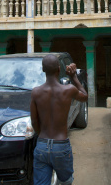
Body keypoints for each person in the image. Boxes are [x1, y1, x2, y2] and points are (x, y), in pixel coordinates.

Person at [30, 54, 88, 185]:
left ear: (43, 70)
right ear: (58, 69)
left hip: (42, 145)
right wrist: (74, 77)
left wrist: (43, 137)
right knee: (66, 181)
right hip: (61, 145)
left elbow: (34, 122)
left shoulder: (36, 92)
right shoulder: (68, 90)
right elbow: (84, 96)